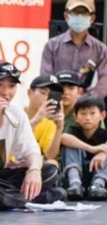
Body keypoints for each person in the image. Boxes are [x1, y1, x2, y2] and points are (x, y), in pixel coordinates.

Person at [0, 63, 64, 208]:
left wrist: (34, 170)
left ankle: (13, 198)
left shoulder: (16, 112)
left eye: (11, 86)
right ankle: (31, 198)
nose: (6, 92)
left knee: (49, 171)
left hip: (3, 178)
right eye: (0, 85)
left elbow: (32, 150)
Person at [40, 0, 107, 99]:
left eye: (84, 13)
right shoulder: (51, 46)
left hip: (86, 109)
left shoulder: (101, 50)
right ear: (66, 16)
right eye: (75, 13)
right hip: (57, 104)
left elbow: (102, 85)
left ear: (92, 18)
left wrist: (83, 101)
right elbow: (46, 78)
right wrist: (61, 96)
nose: (79, 17)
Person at [60, 94, 107, 201]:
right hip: (79, 173)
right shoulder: (73, 131)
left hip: (99, 173)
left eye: (92, 113)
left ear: (102, 115)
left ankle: (99, 185)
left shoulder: (105, 133)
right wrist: (91, 148)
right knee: (71, 144)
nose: (87, 118)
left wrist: (104, 152)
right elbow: (63, 137)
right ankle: (75, 183)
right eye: (83, 113)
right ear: (75, 117)